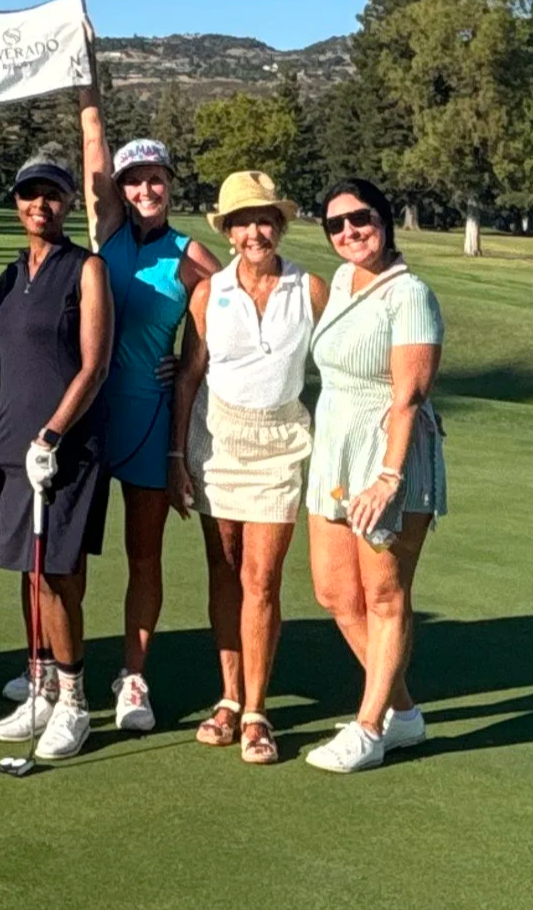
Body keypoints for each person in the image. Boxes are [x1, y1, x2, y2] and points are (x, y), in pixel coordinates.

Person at [69, 79, 217, 730]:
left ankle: (133, 676)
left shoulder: (190, 256)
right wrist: (88, 88)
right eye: (133, 181)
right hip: (89, 413)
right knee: (64, 548)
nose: (144, 191)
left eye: (155, 179)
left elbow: (236, 315)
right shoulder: (107, 233)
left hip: (151, 418)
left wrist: (187, 362)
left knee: (143, 552)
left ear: (169, 183)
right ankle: (54, 663)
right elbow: (94, 147)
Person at [170, 170, 327, 765]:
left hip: (280, 443)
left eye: (265, 220)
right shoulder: (210, 294)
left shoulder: (309, 289)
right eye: (243, 222)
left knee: (261, 579)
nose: (255, 232)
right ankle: (229, 698)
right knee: (225, 571)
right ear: (228, 232)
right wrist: (177, 456)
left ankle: (257, 711)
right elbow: (189, 377)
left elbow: (338, 359)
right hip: (217, 440)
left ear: (280, 226)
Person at [302, 177, 447, 774]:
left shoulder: (409, 293)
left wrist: (388, 478)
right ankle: (403, 711)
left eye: (360, 218)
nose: (349, 232)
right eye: (335, 224)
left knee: (385, 596)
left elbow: (410, 395)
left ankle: (368, 727)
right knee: (335, 593)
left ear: (384, 220)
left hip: (389, 460)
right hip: (335, 455)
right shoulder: (341, 281)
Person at [0, 153, 113, 761]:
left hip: (65, 448)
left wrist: (53, 434)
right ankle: (37, 685)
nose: (41, 205)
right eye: (30, 194)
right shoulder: (10, 275)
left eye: (53, 195)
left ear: (67, 203)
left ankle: (74, 703)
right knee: (26, 570)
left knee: (55, 574)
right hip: (12, 447)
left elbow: (94, 366)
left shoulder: (86, 269)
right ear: (17, 202)